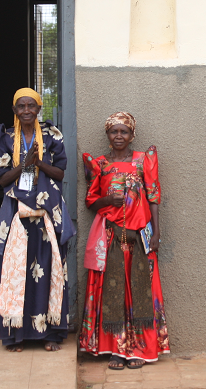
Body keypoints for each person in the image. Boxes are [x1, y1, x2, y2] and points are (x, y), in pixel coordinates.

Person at [79, 112, 170, 369]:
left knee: (140, 292)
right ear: (107, 135)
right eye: (114, 132)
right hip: (110, 238)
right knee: (114, 291)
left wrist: (156, 232)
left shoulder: (144, 161)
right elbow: (90, 202)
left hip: (140, 237)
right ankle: (116, 350)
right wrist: (108, 201)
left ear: (132, 135)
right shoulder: (99, 164)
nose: (119, 136)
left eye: (124, 132)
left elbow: (153, 196)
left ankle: (140, 349)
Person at [0, 88, 74, 352]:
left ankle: (50, 334)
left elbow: (60, 173)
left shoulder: (52, 136)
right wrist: (23, 165)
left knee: (49, 272)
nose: (26, 110)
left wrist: (37, 162)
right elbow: (3, 179)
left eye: (31, 106)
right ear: (14, 110)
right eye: (21, 106)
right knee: (15, 273)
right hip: (16, 215)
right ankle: (16, 336)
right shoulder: (7, 138)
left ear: (39, 109)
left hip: (46, 216)